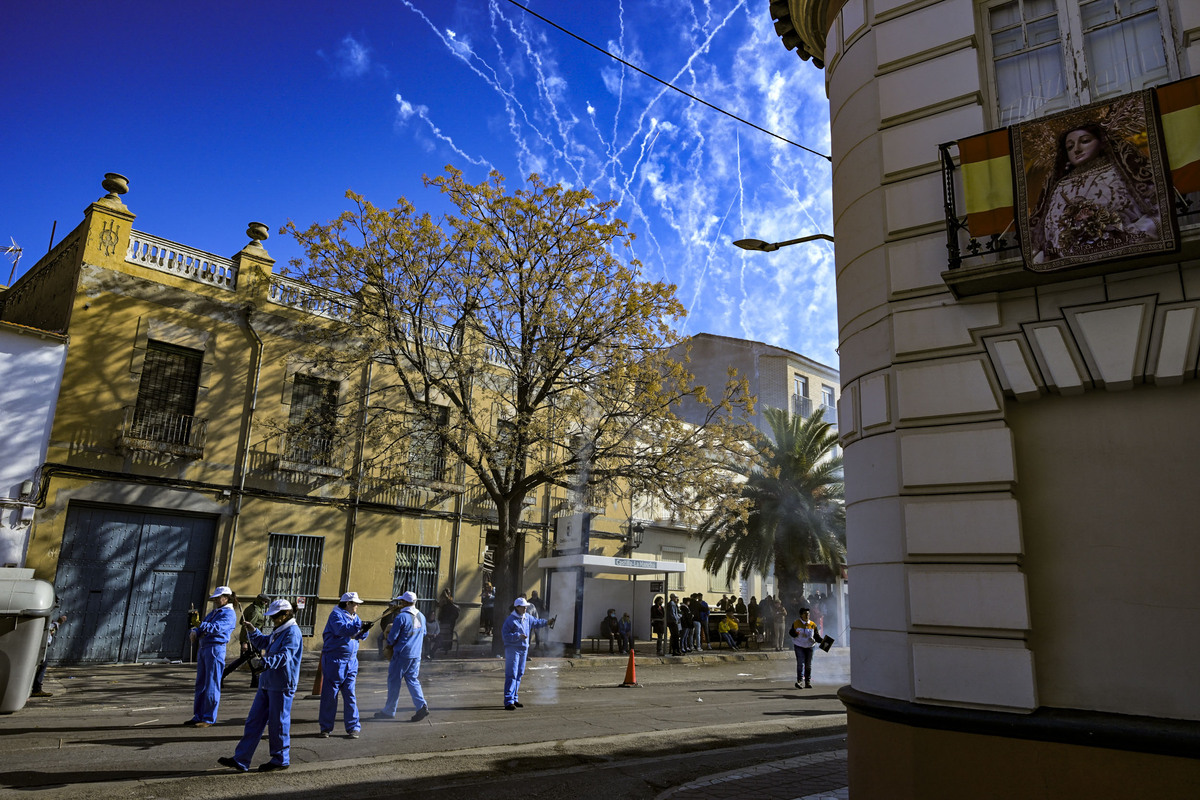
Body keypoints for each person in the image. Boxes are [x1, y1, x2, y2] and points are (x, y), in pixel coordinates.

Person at [1030, 123, 1161, 265]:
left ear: (1102, 142)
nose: (1077, 149)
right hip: (1073, 264)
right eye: (1070, 147)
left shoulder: (1123, 173)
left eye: (1085, 141)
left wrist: (1123, 236)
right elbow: (1048, 237)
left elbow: (1157, 209)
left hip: (1127, 254)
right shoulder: (1058, 188)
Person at [218, 598, 303, 773]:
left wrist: (264, 662)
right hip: (267, 682)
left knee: (278, 723)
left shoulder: (292, 632)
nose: (272, 619)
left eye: (275, 616)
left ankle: (280, 759)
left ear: (286, 614)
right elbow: (265, 642)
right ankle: (241, 759)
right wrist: (253, 631)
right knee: (254, 722)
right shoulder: (280, 629)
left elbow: (285, 655)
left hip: (281, 684)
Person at [318, 591, 373, 738]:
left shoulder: (354, 616)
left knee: (350, 695)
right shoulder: (335, 615)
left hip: (351, 662)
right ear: (347, 603)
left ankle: (353, 727)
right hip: (334, 660)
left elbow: (359, 634)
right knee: (330, 695)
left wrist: (365, 629)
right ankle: (326, 728)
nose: (357, 606)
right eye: (355, 604)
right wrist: (360, 627)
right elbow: (342, 630)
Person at [185, 586, 238, 727]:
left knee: (212, 683)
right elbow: (203, 625)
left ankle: (208, 718)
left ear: (226, 598)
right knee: (201, 684)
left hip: (215, 648)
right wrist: (195, 630)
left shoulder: (229, 614)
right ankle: (198, 715)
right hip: (204, 647)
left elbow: (216, 628)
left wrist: (199, 625)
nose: (215, 600)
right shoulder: (215, 612)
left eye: (217, 598)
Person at [375, 591, 430, 722]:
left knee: (394, 682)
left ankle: (389, 710)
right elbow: (424, 633)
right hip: (416, 655)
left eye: (401, 601)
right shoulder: (422, 616)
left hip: (401, 654)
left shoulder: (401, 617)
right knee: (412, 680)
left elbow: (392, 638)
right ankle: (421, 706)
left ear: (404, 602)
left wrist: (389, 644)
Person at [501, 597, 554, 709]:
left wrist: (547, 622)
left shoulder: (527, 617)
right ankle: (508, 701)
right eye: (524, 606)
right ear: (517, 607)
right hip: (513, 649)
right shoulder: (510, 620)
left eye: (526, 606)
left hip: (523, 649)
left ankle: (514, 698)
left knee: (519, 674)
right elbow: (505, 636)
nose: (526, 608)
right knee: (512, 674)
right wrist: (518, 636)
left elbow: (537, 622)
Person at [222, 593, 269, 687]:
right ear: (260, 601)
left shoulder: (252, 607)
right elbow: (246, 627)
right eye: (264, 602)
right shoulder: (255, 611)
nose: (266, 604)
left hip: (253, 640)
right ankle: (221, 676)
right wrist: (245, 642)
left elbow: (241, 621)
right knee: (248, 661)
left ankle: (255, 683)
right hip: (251, 641)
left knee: (252, 662)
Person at [30, 613, 67, 697]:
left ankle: (35, 688)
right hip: (39, 645)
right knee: (42, 664)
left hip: (41, 645)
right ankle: (36, 688)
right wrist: (58, 622)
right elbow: (48, 627)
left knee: (42, 664)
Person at [790, 607, 821, 689]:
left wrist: (824, 642)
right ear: (801, 615)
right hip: (799, 646)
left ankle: (807, 681)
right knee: (800, 663)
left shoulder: (813, 624)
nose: (807, 615)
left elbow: (817, 636)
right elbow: (791, 632)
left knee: (808, 665)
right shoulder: (796, 623)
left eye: (808, 614)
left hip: (810, 647)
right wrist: (795, 633)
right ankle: (799, 681)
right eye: (805, 614)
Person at [436, 588, 460, 656]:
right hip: (448, 620)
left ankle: (445, 647)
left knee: (446, 634)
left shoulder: (447, 602)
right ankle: (446, 647)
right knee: (448, 634)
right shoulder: (449, 602)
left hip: (447, 620)